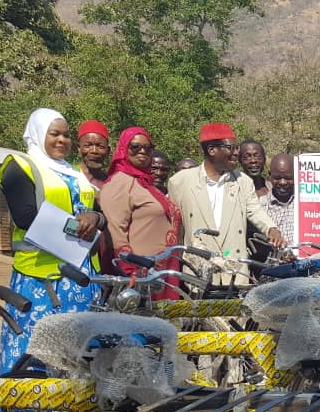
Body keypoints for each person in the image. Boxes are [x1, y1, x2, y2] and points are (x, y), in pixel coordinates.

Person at [0, 108, 105, 376]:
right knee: (35, 352)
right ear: (37, 134)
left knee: (76, 358)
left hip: (80, 280)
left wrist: (95, 218)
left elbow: (99, 215)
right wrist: (78, 225)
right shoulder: (19, 166)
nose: (62, 140)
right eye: (54, 134)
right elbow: (26, 217)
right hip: (40, 281)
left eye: (67, 135)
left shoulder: (75, 174)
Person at [167, 123, 283, 277]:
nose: (236, 153)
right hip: (197, 273)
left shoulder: (242, 181)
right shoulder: (180, 182)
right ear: (212, 150)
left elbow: (255, 210)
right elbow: (173, 228)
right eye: (231, 148)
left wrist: (270, 228)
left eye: (236, 148)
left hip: (234, 271)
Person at [99, 127, 183, 300]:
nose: (142, 152)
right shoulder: (119, 183)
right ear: (123, 148)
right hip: (140, 276)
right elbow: (115, 235)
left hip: (161, 271)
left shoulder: (145, 184)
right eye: (135, 147)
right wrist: (130, 274)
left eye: (148, 148)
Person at [261, 152, 296, 249]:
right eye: (277, 178)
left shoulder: (306, 204)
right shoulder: (260, 207)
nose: (283, 182)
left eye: (288, 178)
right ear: (270, 176)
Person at [76, 119, 110, 189]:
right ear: (79, 148)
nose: (94, 151)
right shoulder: (70, 177)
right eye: (87, 146)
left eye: (100, 146)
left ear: (108, 150)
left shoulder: (111, 182)